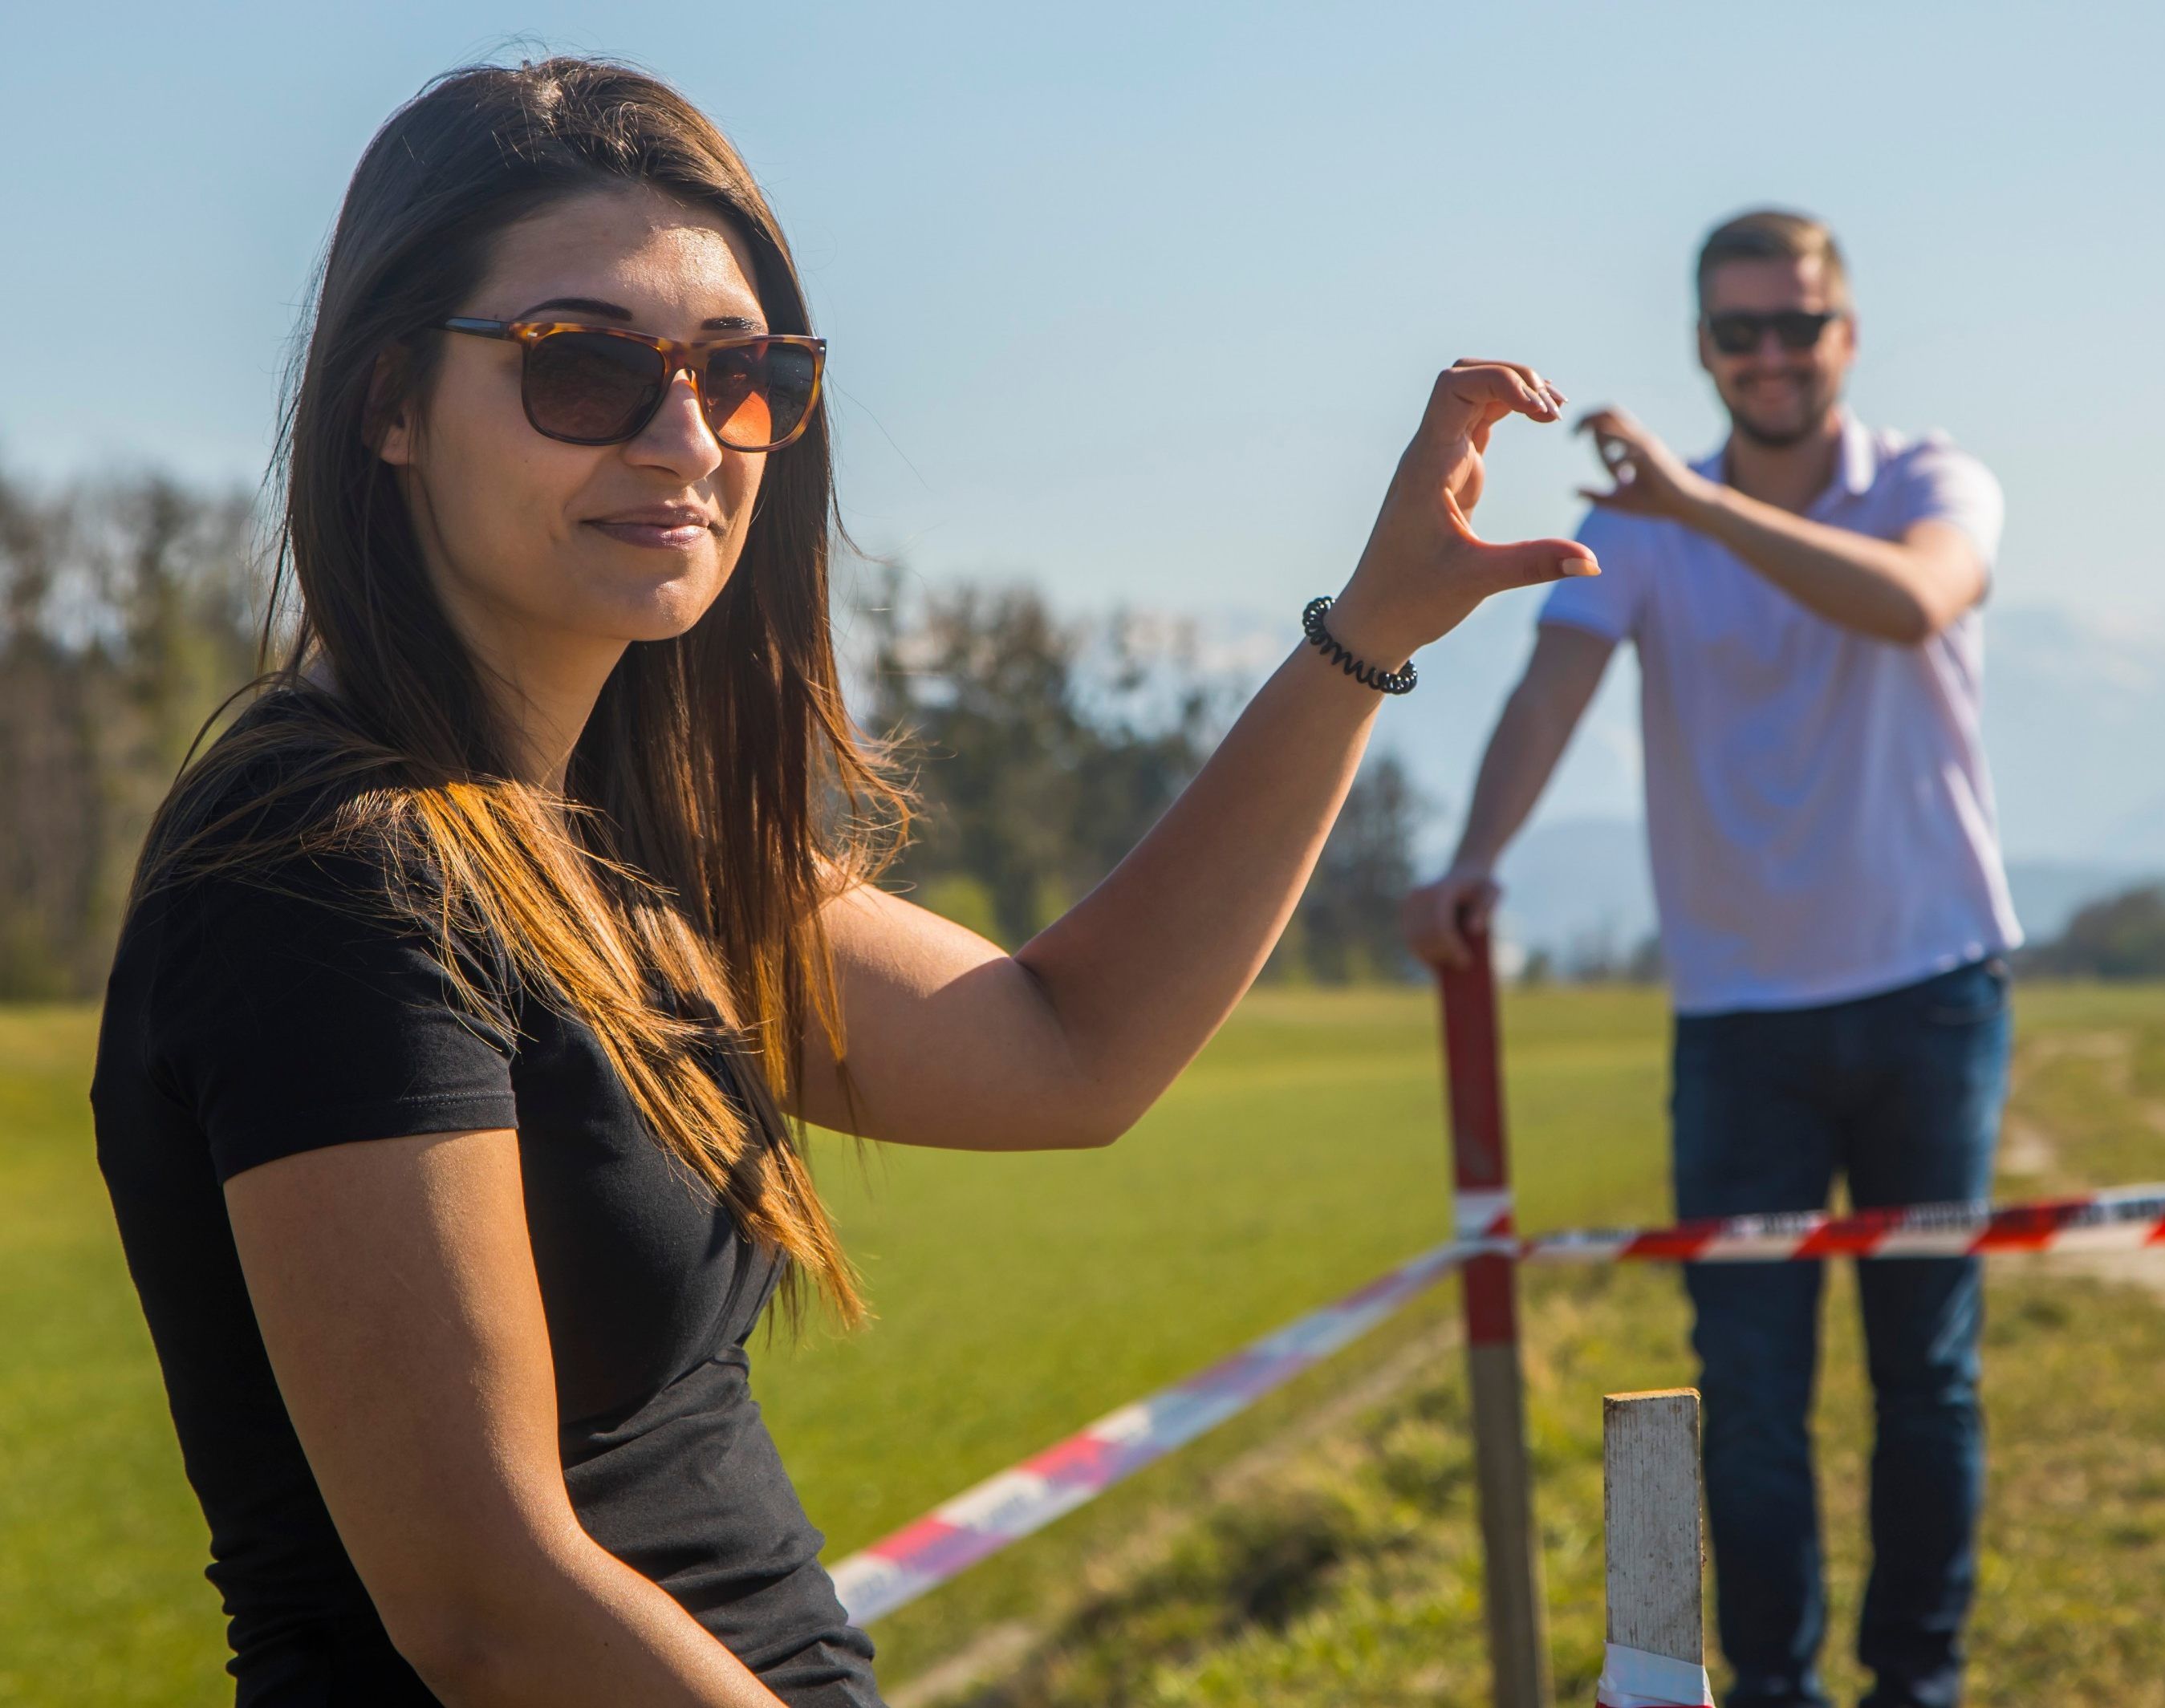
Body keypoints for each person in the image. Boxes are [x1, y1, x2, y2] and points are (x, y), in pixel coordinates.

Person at [90, 55, 1597, 1708]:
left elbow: (1070, 1048)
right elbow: (485, 1602)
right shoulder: (331, 874)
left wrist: (1363, 634)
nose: (683, 438)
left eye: (738, 374)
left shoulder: (604, 837)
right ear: (388, 403)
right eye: (580, 367)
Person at [1405, 209, 2017, 1708]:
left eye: (1796, 325)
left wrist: (1690, 502)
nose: (1768, 353)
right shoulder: (1643, 527)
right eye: (1737, 330)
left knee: (1924, 1378)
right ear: (1703, 347)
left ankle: (1915, 1685)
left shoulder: (1934, 480)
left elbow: (1909, 602)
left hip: (1934, 988)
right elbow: (1553, 691)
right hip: (1736, 1014)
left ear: (1846, 338)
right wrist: (1477, 856)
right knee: (1748, 1398)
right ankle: (1772, 1690)